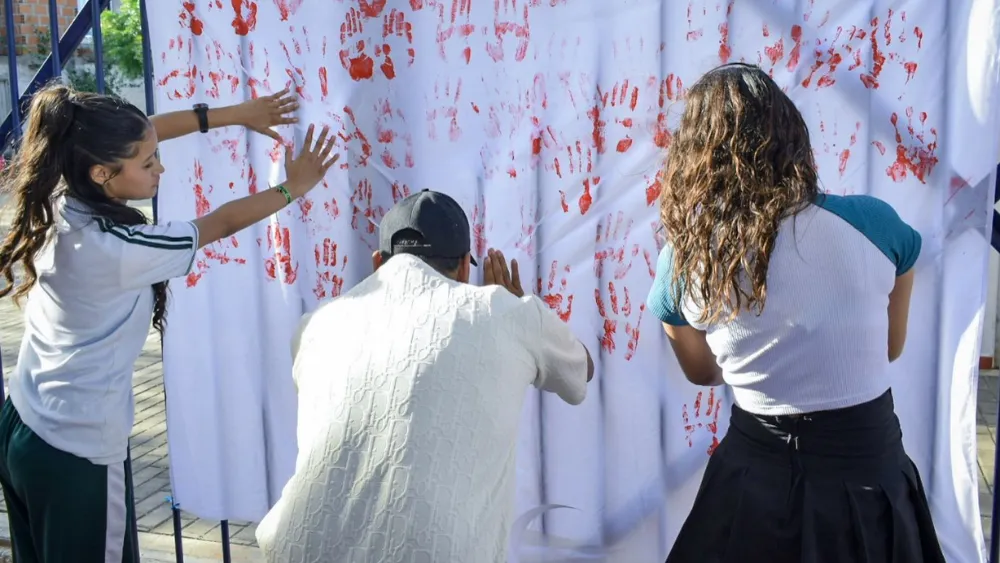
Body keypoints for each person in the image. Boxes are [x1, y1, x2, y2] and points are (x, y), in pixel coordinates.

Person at [0, 83, 338, 563]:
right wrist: (294, 186)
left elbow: (146, 133)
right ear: (102, 172)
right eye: (148, 163)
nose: (161, 167)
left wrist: (237, 114)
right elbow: (218, 224)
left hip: (24, 425)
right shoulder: (119, 249)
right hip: (75, 450)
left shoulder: (65, 189)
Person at [646, 63, 946, 563]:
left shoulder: (685, 260)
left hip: (753, 481)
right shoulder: (874, 224)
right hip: (868, 476)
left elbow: (701, 372)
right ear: (793, 140)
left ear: (694, 159)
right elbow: (889, 346)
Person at [255, 189, 595, 563]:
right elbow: (581, 369)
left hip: (297, 549)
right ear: (466, 267)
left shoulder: (316, 325)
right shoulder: (506, 313)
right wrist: (518, 310)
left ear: (377, 264)